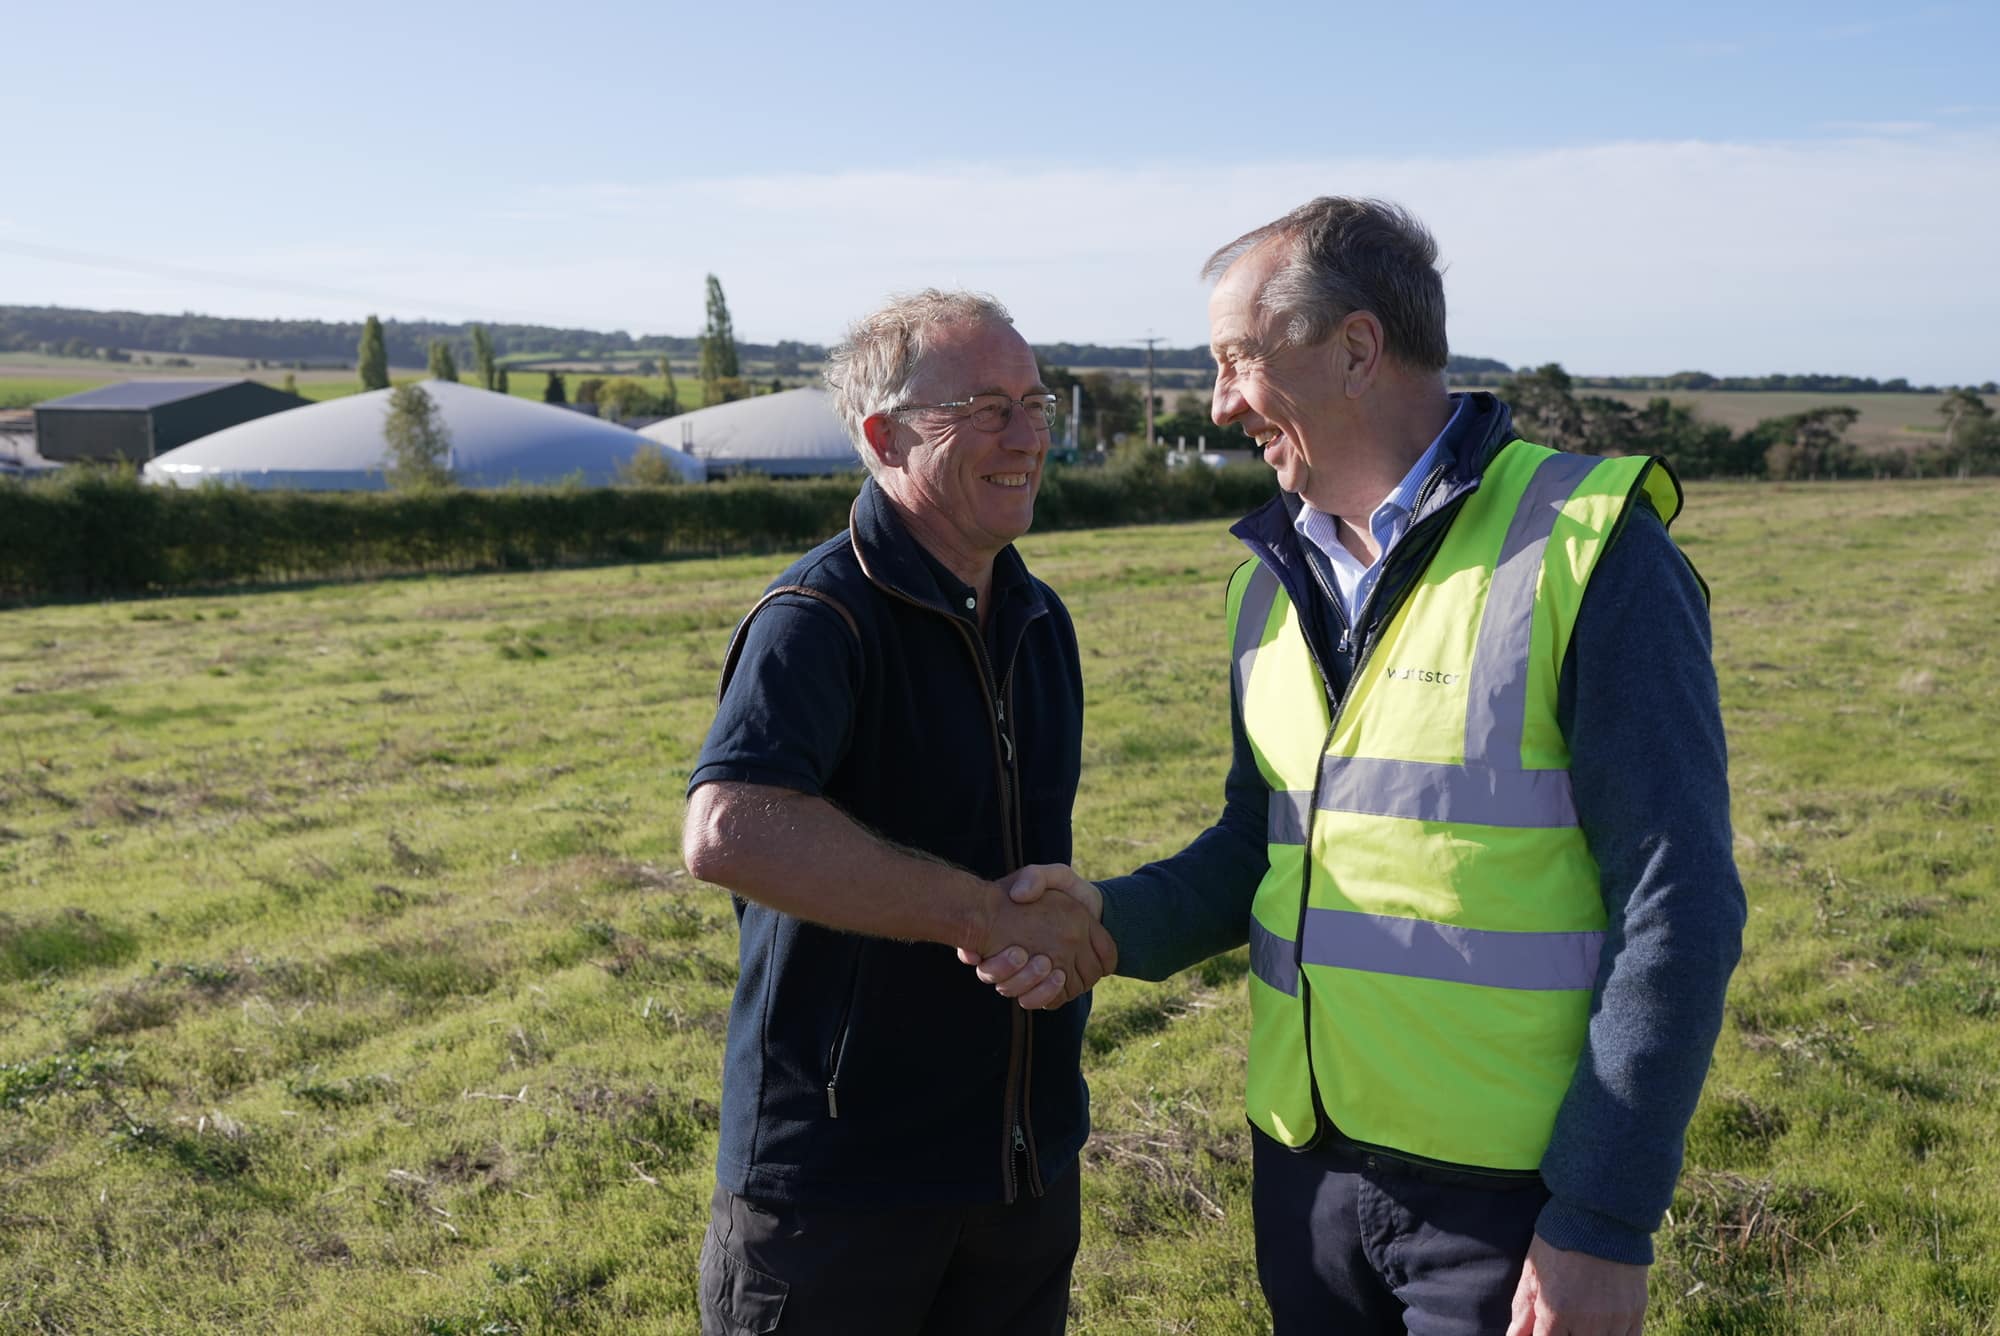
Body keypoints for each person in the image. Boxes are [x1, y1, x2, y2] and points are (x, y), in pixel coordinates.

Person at [968, 198, 1746, 1335]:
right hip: (1307, 1177)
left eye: (1235, 360)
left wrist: (1601, 1214)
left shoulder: (1589, 548)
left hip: (1509, 1201)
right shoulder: (1263, 583)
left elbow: (1675, 901)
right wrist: (1109, 920)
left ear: (1355, 349)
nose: (1220, 401)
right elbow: (1261, 839)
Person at [681, 289, 1115, 1336]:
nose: (1026, 438)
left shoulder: (1037, 617)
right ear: (881, 436)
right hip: (838, 1190)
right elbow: (728, 828)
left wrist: (1071, 926)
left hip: (1017, 1168)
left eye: (1034, 403)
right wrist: (980, 915)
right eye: (983, 409)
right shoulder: (817, 618)